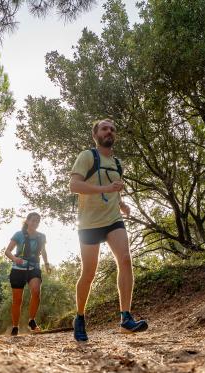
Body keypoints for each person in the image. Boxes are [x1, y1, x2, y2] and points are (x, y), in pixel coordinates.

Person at [69, 118, 148, 341]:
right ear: (96, 135)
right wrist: (105, 188)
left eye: (113, 129)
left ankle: (125, 318)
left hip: (113, 219)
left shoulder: (117, 163)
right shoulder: (87, 156)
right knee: (89, 273)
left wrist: (121, 203)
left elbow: (114, 188)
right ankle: (80, 317)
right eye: (104, 128)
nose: (109, 131)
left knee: (125, 259)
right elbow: (74, 185)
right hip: (89, 223)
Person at [5, 212, 50, 335]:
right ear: (27, 221)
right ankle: (15, 327)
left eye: (37, 221)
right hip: (18, 269)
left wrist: (46, 264)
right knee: (17, 300)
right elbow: (7, 251)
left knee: (36, 291)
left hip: (34, 268)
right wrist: (15, 259)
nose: (35, 223)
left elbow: (43, 251)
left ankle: (31, 320)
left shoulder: (42, 236)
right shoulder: (18, 234)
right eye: (33, 220)